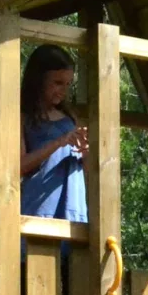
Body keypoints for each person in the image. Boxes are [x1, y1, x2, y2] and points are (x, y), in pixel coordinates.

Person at [19, 45, 89, 223]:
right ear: (39, 80)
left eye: (68, 84)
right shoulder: (22, 116)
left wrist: (87, 152)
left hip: (73, 208)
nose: (63, 90)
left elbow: (88, 169)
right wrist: (59, 142)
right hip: (39, 208)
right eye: (57, 83)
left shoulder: (70, 118)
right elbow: (18, 166)